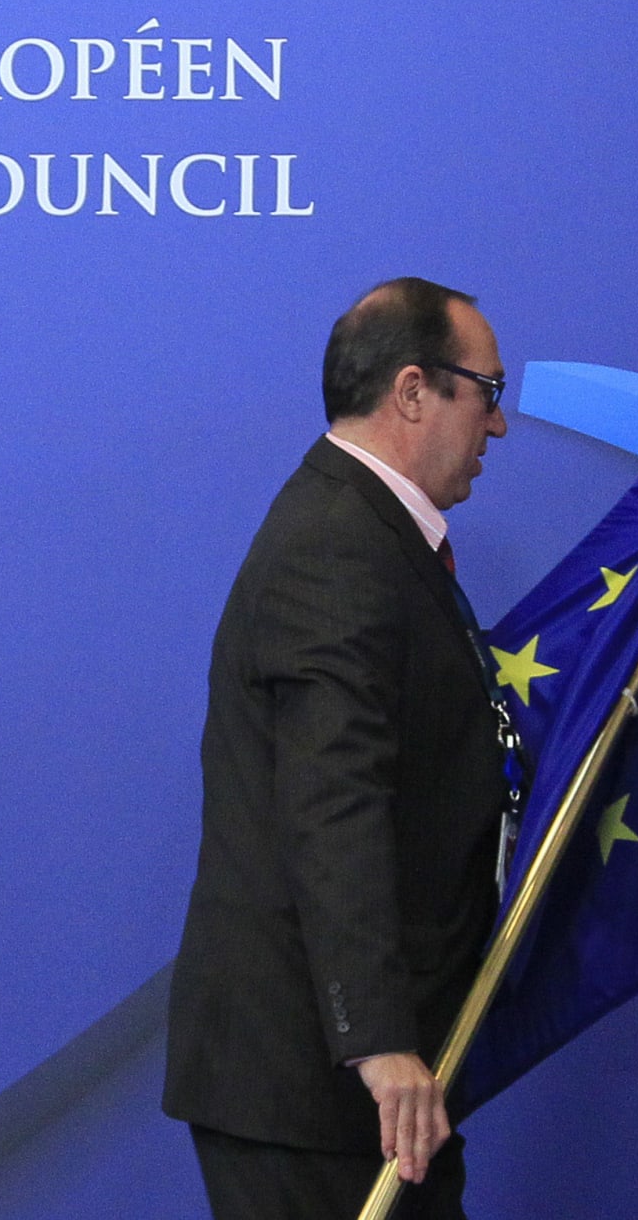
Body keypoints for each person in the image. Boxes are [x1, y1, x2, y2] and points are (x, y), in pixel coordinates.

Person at [163, 277, 513, 1219]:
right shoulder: (337, 547)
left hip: (360, 1086)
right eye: (489, 391)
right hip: (319, 1084)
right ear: (414, 390)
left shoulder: (368, 533)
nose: (499, 425)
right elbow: (332, 800)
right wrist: (378, 1041)